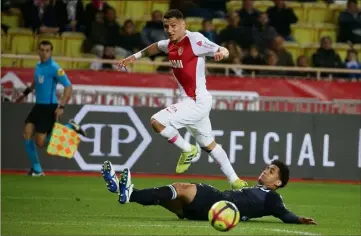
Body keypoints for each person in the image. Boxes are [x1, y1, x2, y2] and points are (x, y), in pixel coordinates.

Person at [117, 9, 246, 189]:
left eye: (174, 26)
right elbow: (155, 46)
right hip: (193, 102)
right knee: (209, 145)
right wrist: (134, 57)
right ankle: (235, 181)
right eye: (166, 26)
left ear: (183, 25)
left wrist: (221, 53)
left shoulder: (195, 40)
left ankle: (187, 149)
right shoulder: (169, 44)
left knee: (156, 121)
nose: (170, 30)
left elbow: (220, 49)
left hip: (196, 101)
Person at [101, 160, 317, 225]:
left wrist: (298, 219)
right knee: (167, 197)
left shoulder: (272, 197)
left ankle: (128, 192)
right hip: (209, 213)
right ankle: (128, 192)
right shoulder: (259, 190)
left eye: (271, 171)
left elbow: (282, 213)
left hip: (219, 203)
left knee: (180, 188)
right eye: (266, 167)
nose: (265, 171)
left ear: (278, 182)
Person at [15, 40, 86, 176]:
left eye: (47, 50)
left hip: (48, 107)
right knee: (26, 133)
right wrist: (24, 94)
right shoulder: (38, 66)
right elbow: (36, 82)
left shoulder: (55, 68)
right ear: (38, 51)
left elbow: (68, 87)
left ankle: (70, 127)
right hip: (38, 106)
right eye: (42, 50)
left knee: (40, 143)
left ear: (51, 52)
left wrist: (62, 106)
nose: (44, 53)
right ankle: (37, 169)